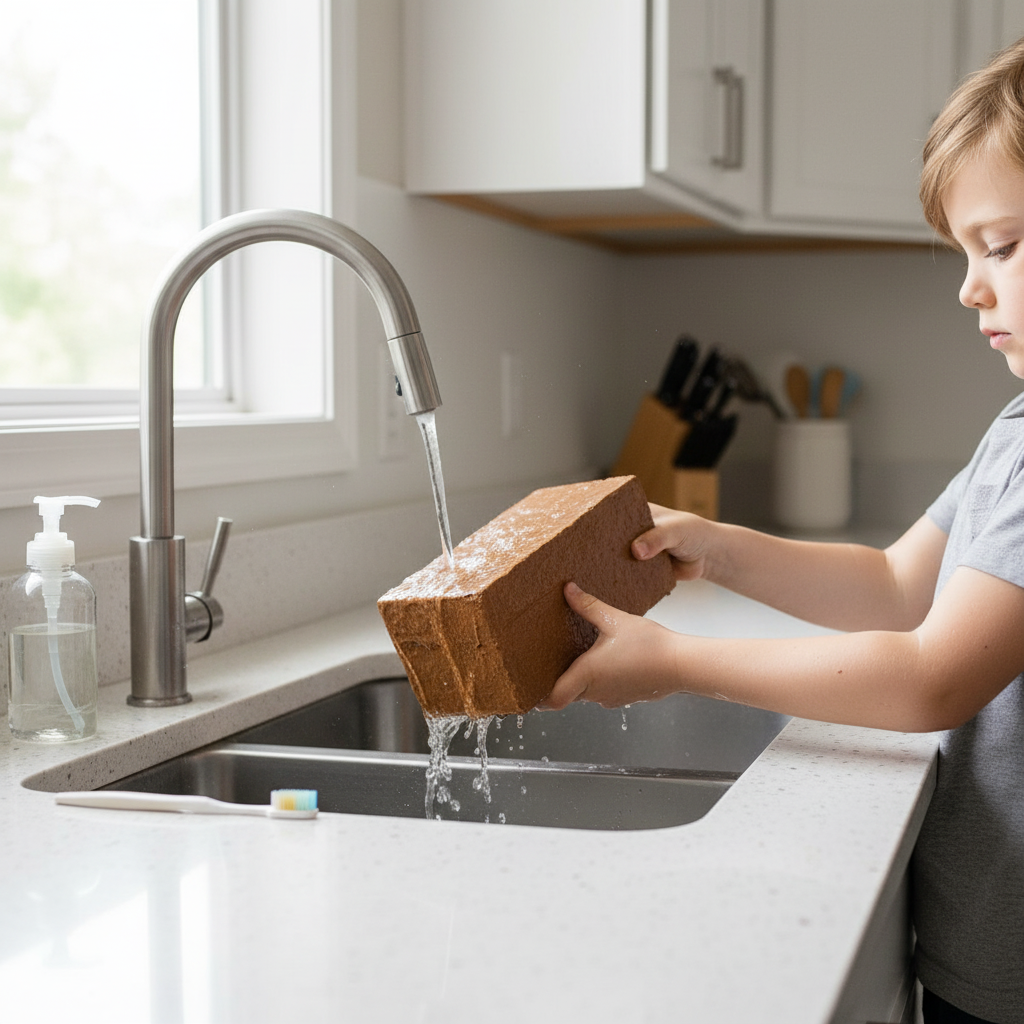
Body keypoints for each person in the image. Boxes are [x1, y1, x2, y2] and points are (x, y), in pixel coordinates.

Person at [542, 37, 1024, 1024]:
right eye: (966, 251)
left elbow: (931, 677)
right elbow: (895, 585)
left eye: (1003, 246)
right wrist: (713, 543)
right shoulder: (1014, 428)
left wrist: (677, 660)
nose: (968, 287)